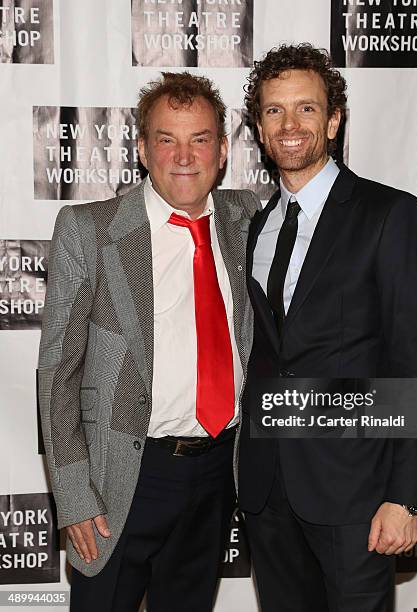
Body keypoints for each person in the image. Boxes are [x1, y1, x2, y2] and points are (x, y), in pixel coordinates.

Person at [38, 71, 260, 612]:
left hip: (216, 473)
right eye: (167, 139)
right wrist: (72, 495)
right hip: (122, 481)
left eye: (200, 139)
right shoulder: (89, 229)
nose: (184, 156)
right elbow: (57, 373)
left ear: (223, 150)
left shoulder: (247, 218)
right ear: (142, 149)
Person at [238, 43, 417, 612]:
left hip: (356, 491)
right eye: (275, 111)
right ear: (259, 126)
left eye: (307, 109)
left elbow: (415, 359)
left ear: (333, 120)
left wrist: (406, 496)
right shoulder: (258, 227)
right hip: (268, 490)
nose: (291, 124)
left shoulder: (390, 215)